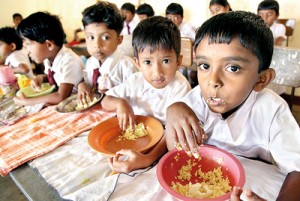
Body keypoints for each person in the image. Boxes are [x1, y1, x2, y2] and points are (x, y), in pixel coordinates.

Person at [165, 11, 300, 201]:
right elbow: (176, 152)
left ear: (262, 79)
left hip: (254, 188)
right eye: (204, 66)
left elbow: (297, 169)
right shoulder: (196, 100)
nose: (213, 81)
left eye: (233, 68)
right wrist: (174, 110)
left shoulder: (272, 110)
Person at [101, 16, 191, 173]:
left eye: (166, 61)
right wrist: (120, 104)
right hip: (135, 140)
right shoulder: (135, 80)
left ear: (178, 61)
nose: (157, 72)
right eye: (148, 62)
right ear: (137, 63)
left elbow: (173, 131)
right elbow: (105, 101)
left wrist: (148, 159)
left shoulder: (180, 86)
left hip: (164, 144)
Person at [13, 11, 84, 106]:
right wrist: (41, 78)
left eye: (28, 44)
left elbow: (61, 96)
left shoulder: (69, 61)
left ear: (49, 45)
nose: (27, 51)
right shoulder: (49, 58)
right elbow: (55, 76)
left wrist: (26, 102)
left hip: (77, 106)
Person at [77, 1, 138, 105]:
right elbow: (89, 85)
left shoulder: (127, 67)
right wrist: (82, 85)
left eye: (105, 37)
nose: (97, 44)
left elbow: (137, 98)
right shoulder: (90, 63)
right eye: (91, 37)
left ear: (119, 40)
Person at [258, 0, 287, 95]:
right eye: (261, 14)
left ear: (276, 15)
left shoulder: (280, 27)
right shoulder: (256, 27)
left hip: (275, 60)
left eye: (269, 14)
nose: (264, 18)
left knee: (273, 87)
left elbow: (279, 41)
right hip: (260, 61)